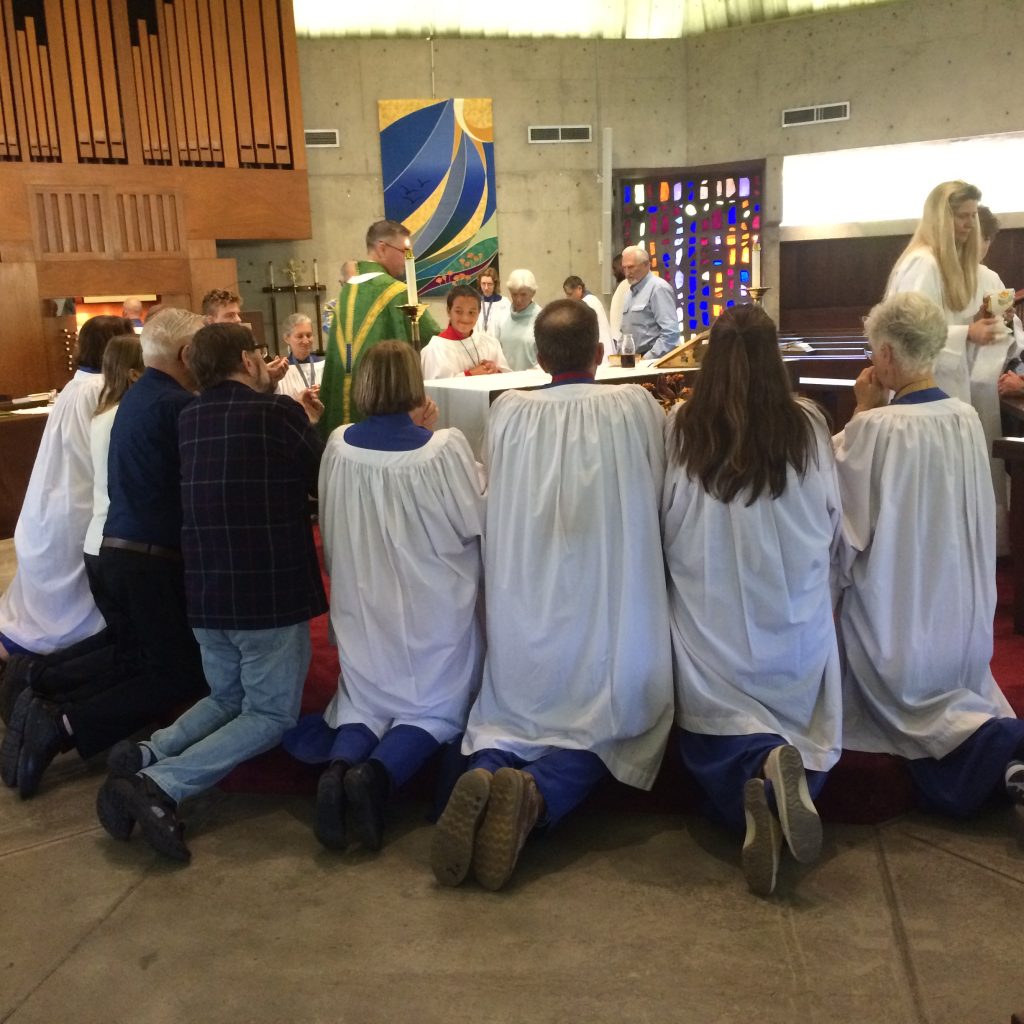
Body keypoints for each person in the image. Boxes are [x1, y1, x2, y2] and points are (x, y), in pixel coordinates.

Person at [431, 299, 673, 891]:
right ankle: (536, 798)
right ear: (599, 355)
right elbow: (663, 493)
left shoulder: (509, 412)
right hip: (607, 600)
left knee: (511, 716)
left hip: (528, 602)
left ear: (537, 358)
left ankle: (488, 772)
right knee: (613, 723)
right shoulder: (636, 407)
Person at [96, 322, 326, 862]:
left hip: (204, 591)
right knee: (270, 715)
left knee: (226, 697)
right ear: (247, 362)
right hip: (265, 595)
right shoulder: (278, 414)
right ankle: (160, 784)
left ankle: (148, 752)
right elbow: (318, 477)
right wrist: (308, 423)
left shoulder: (190, 416)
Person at [663, 304, 843, 897]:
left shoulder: (683, 426)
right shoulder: (809, 424)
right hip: (791, 623)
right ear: (776, 361)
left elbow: (667, 525)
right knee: (808, 730)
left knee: (710, 731)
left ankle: (757, 783)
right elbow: (831, 520)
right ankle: (782, 777)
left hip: (712, 627)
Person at [284, 341, 485, 853]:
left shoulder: (337, 443)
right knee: (436, 706)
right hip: (430, 605)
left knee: (364, 701)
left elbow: (326, 521)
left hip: (361, 600)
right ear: (415, 387)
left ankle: (337, 770)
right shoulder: (442, 447)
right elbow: (474, 521)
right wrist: (432, 433)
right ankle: (375, 777)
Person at [835, 291, 1024, 824]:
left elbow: (841, 523)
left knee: (907, 713)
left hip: (898, 621)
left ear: (889, 355)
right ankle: (1006, 765)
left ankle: (997, 759)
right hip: (961, 620)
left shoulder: (875, 429)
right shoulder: (964, 417)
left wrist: (859, 412)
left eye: (875, 352)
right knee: (961, 698)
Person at [0, 315, 133, 662]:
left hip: (56, 500)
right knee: (74, 605)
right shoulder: (102, 391)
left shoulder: (77, 385)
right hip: (81, 503)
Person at [319, 220, 441, 436]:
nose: (406, 259)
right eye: (403, 251)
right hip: (381, 402)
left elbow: (348, 355)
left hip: (344, 396)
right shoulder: (395, 291)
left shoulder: (347, 291)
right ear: (382, 248)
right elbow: (432, 337)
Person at [885, 181, 1002, 403]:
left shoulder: (950, 264)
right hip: (921, 391)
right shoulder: (924, 263)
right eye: (962, 216)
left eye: (973, 215)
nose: (970, 224)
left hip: (948, 385)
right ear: (941, 219)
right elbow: (912, 333)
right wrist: (968, 332)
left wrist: (978, 321)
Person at [969, 206, 1024, 553]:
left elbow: (1010, 336)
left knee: (984, 464)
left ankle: (991, 543)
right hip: (956, 386)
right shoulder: (933, 272)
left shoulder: (990, 279)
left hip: (984, 388)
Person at [420, 284, 511, 379]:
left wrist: (496, 371)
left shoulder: (491, 344)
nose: (465, 318)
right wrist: (469, 374)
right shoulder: (434, 350)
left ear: (479, 312)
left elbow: (508, 380)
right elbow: (434, 390)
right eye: (459, 312)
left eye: (471, 312)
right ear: (448, 311)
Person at [620, 245, 680, 357]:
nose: (627, 273)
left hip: (651, 362)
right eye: (624, 268)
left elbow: (671, 334)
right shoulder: (629, 293)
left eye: (631, 267)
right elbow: (625, 332)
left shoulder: (658, 288)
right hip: (632, 360)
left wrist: (647, 360)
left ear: (646, 265)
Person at [495, 269, 541, 370]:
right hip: (506, 380)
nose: (518, 299)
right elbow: (497, 351)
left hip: (533, 381)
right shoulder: (502, 316)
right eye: (514, 294)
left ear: (533, 293)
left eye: (523, 294)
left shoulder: (542, 319)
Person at [276, 313, 325, 401]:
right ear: (286, 338)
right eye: (299, 336)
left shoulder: (323, 365)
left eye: (309, 335)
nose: (306, 341)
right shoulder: (282, 371)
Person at [563, 275, 612, 352]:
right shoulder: (593, 299)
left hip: (599, 350)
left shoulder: (587, 303)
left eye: (570, 294)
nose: (568, 298)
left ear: (579, 288)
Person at [475, 266, 510, 338]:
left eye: (489, 284)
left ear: (495, 284)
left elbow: (508, 327)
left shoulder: (504, 303)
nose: (486, 287)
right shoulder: (475, 302)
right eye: (483, 283)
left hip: (498, 345)